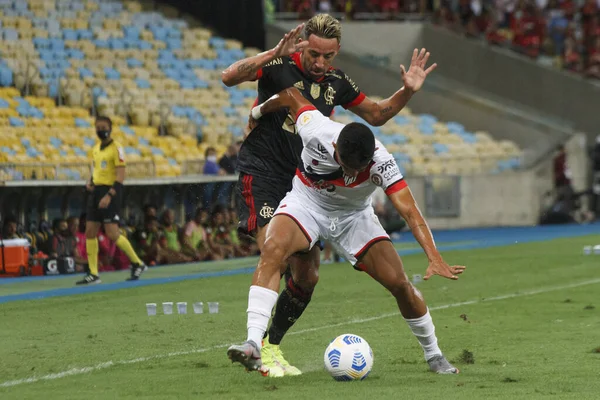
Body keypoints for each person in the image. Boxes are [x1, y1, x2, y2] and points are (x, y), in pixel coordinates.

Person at [221, 13, 437, 376]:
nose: (320, 63)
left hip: (303, 176)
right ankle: (254, 343)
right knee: (276, 249)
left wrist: (408, 90)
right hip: (264, 172)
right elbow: (229, 77)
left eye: (329, 56)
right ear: (303, 43)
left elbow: (377, 114)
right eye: (314, 54)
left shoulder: (336, 82)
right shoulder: (277, 63)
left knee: (308, 276)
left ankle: (271, 347)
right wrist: (271, 53)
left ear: (337, 53)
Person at [76, 116, 146, 285]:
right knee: (90, 231)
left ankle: (137, 263)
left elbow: (121, 176)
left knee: (112, 233)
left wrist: (109, 195)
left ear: (110, 128)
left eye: (103, 126)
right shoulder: (95, 149)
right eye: (97, 127)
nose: (100, 129)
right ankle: (93, 273)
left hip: (110, 191)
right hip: (96, 192)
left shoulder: (117, 148)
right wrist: (90, 183)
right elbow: (96, 171)